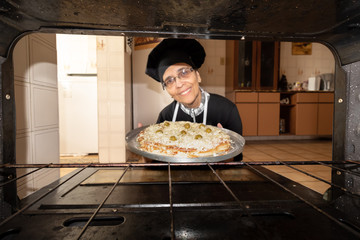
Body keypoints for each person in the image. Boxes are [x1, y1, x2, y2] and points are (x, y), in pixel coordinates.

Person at [145, 38, 243, 161]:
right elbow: (157, 164)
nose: (179, 84)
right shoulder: (166, 116)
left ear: (197, 75)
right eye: (169, 81)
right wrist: (146, 153)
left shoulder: (227, 110)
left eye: (184, 72)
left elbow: (237, 160)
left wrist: (223, 149)